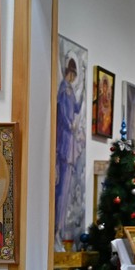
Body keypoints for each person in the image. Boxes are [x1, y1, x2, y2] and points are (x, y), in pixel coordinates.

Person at [55, 57, 82, 242]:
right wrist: (69, 123)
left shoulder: (70, 90)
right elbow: (63, 113)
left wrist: (84, 96)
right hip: (64, 141)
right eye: (73, 75)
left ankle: (60, 230)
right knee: (62, 192)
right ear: (69, 73)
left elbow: (76, 109)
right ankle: (57, 230)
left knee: (66, 192)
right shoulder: (64, 90)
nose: (73, 78)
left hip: (70, 142)